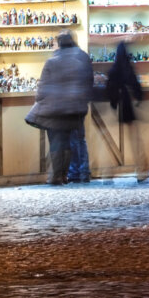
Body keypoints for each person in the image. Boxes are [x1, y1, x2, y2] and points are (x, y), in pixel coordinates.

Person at [31, 30, 94, 186]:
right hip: (77, 108)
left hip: (56, 109)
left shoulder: (53, 61)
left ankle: (60, 175)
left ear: (59, 43)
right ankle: (77, 173)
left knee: (58, 142)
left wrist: (40, 100)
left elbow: (43, 87)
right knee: (76, 140)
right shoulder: (81, 58)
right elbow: (88, 82)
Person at [104, 40, 149, 182]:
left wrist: (112, 104)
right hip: (128, 108)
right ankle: (142, 172)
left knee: (112, 143)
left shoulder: (113, 70)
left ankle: (107, 173)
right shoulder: (128, 69)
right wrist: (139, 99)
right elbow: (137, 88)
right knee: (136, 142)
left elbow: (109, 89)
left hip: (116, 108)